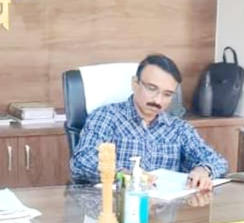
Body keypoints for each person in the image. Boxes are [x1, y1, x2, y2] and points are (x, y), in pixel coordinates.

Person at [69, 53, 228, 189]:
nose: (158, 100)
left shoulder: (178, 129)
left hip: (164, 210)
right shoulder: (106, 117)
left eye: (167, 94)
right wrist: (125, 175)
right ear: (135, 84)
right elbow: (82, 162)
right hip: (116, 207)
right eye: (152, 89)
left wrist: (203, 170)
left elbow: (218, 161)